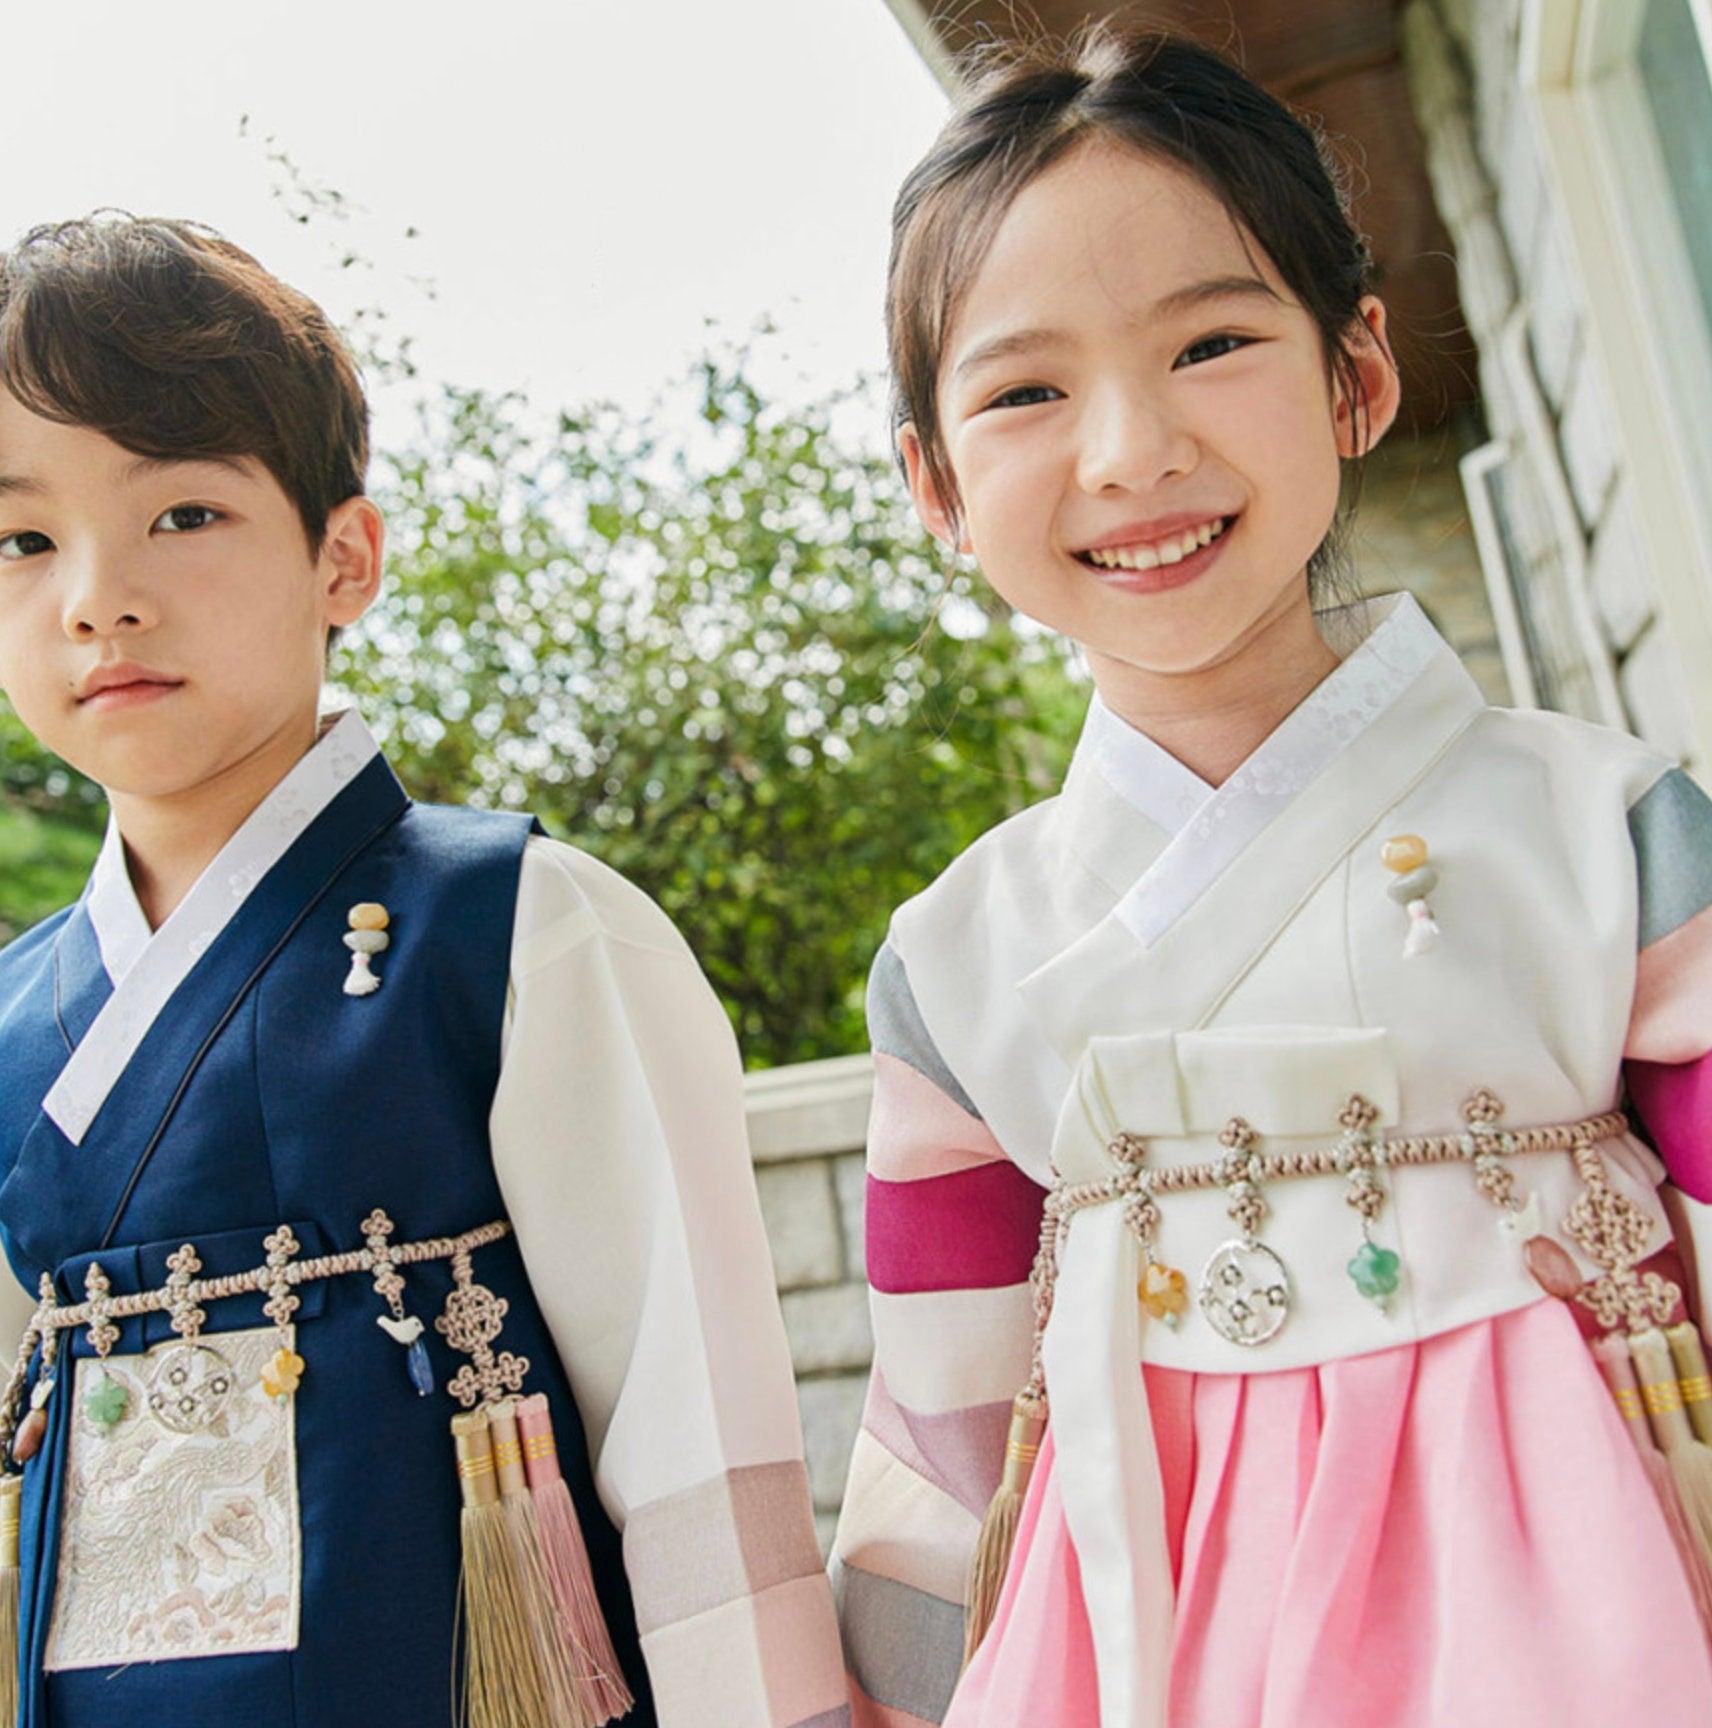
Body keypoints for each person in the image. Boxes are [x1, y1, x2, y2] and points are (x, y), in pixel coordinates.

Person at [831, 25, 1712, 1728]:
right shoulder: (953, 965)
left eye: (1213, 343)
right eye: (1025, 390)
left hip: (1590, 1597)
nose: (1129, 451)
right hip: (1152, 1635)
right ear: (934, 481)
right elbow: (935, 1436)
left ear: (1355, 373)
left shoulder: (1612, 832)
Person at [0, 216, 849, 1728]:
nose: (96, 597)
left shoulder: (518, 927)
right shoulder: (16, 1025)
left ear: (346, 554)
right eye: (22, 539)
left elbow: (691, 1434)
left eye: (182, 514)